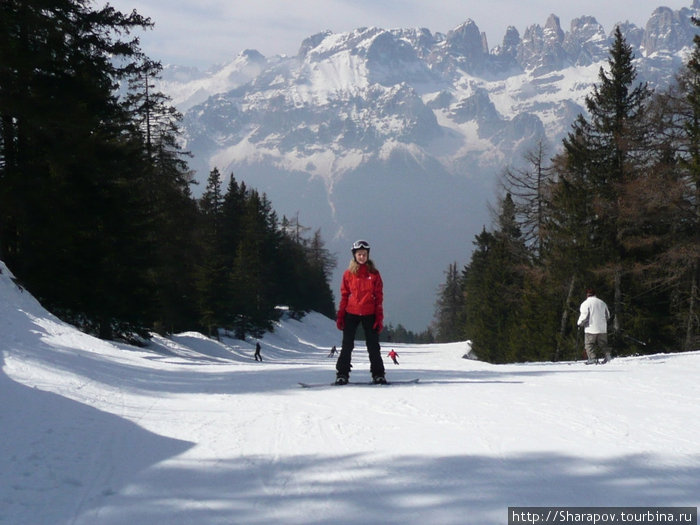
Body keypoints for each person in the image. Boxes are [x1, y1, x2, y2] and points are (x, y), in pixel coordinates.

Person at [335, 239, 386, 385]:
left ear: (368, 255)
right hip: (351, 313)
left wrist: (379, 318)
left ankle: (378, 374)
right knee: (347, 346)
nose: (362, 257)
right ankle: (342, 374)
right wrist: (340, 316)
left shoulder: (374, 274)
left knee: (373, 346)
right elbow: (344, 295)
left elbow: (379, 298)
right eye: (359, 254)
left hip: (369, 313)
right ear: (354, 256)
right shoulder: (348, 274)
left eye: (364, 254)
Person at [577, 289, 612, 364]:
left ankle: (592, 358)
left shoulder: (585, 303)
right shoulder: (602, 303)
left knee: (589, 344)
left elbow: (584, 316)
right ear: (595, 294)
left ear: (587, 295)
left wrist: (580, 323)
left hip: (590, 328)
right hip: (602, 328)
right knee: (603, 344)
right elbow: (608, 316)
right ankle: (608, 356)